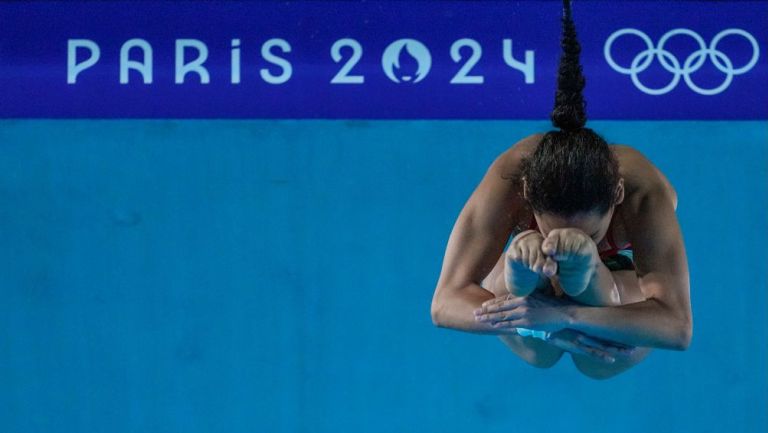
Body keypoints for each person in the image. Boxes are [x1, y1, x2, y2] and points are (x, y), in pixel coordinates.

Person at [430, 0, 692, 379]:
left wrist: (567, 316)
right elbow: (445, 303)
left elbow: (677, 326)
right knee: (516, 266)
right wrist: (539, 326)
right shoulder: (509, 178)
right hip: (534, 311)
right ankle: (532, 263)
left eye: (591, 232)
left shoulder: (642, 193)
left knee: (598, 348)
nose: (564, 237)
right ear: (527, 193)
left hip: (615, 292)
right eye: (551, 228)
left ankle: (583, 265)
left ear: (617, 194)